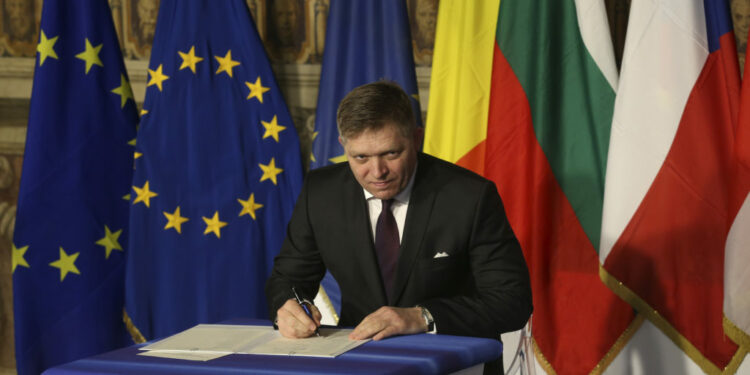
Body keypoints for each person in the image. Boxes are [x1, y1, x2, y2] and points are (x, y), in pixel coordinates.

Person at [265, 81, 532, 371]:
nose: (377, 172)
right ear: (344, 146)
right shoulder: (321, 193)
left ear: (416, 139)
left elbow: (511, 302)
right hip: (359, 361)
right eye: (361, 157)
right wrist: (291, 308)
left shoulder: (469, 197)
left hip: (454, 363)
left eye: (391, 154)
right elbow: (288, 279)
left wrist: (420, 317)